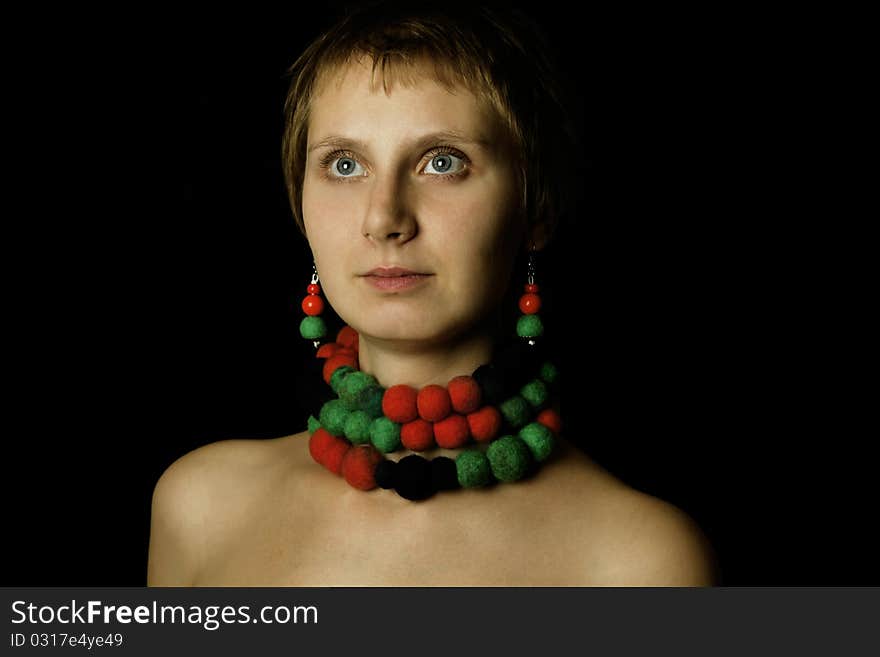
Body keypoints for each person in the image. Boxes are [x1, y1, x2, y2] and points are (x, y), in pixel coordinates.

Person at [147, 0, 719, 586]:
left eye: (442, 162)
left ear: (536, 208)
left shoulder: (639, 563)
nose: (384, 218)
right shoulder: (199, 507)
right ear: (300, 203)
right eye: (344, 165)